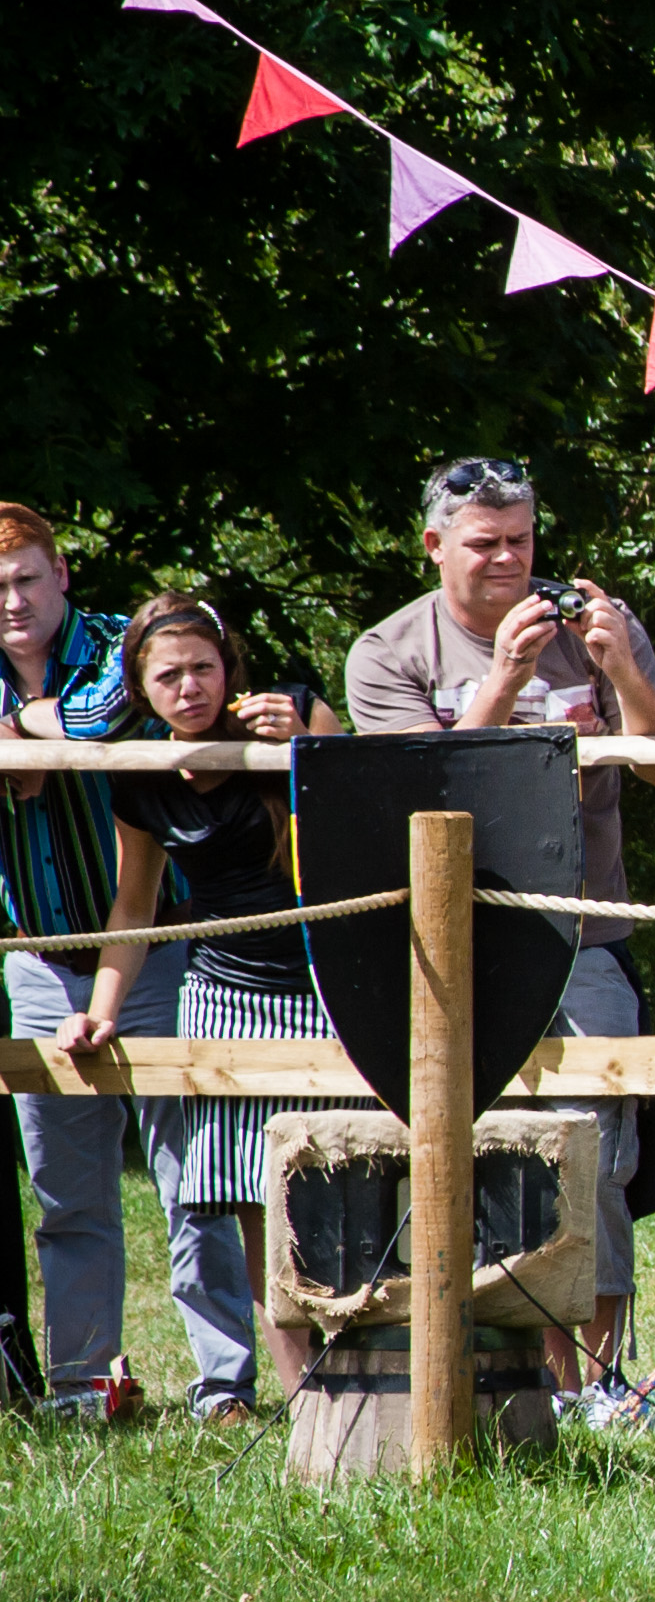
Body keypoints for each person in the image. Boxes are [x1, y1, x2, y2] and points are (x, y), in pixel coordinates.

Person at [345, 457, 655, 1386]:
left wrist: (620, 668)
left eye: (522, 540)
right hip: (452, 942)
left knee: (599, 1154)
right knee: (477, 1146)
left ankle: (597, 1384)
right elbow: (418, 796)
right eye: (484, 543)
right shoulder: (389, 651)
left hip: (586, 932)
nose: (508, 560)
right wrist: (503, 679)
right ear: (434, 546)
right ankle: (500, 1371)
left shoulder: (599, 626)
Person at [35, 595, 346, 1408]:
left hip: (327, 985)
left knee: (343, 1188)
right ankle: (306, 1404)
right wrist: (102, 1008)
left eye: (203, 668)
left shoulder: (294, 716)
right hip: (223, 995)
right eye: (168, 675)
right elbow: (134, 906)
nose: (190, 687)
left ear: (228, 668)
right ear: (140, 688)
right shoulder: (142, 773)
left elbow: (370, 817)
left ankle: (369, 1382)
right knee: (254, 1201)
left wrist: (309, 748)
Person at [0, 504, 187, 1409]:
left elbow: (102, 714)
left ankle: (224, 1385)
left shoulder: (124, 643)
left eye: (26, 579)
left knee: (199, 1180)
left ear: (62, 574)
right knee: (66, 1191)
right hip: (37, 958)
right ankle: (82, 1382)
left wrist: (24, 726)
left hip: (162, 944)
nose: (12, 601)